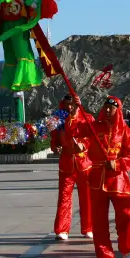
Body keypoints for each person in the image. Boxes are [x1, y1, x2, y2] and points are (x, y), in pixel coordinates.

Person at [87, 96, 130, 258]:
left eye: (112, 108)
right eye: (106, 107)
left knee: (126, 217)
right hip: (97, 180)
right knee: (99, 221)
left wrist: (118, 163)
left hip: (118, 180)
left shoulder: (125, 131)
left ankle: (126, 248)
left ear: (118, 110)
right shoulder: (95, 128)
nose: (108, 110)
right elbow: (81, 136)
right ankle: (105, 255)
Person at [50, 94, 94, 241]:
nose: (70, 107)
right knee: (64, 198)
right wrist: (55, 147)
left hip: (84, 165)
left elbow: (93, 137)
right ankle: (62, 229)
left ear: (78, 104)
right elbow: (54, 139)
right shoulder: (58, 120)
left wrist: (84, 145)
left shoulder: (88, 118)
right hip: (66, 164)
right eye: (67, 104)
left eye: (72, 104)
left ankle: (88, 227)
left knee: (87, 198)